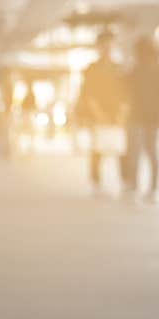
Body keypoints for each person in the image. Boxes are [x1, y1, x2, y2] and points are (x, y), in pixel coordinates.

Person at [78, 29, 128, 195]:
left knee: (121, 149)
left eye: (110, 44)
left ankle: (125, 182)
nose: (107, 48)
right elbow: (88, 94)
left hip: (117, 116)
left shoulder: (119, 68)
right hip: (97, 115)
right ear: (98, 46)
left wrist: (122, 113)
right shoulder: (91, 69)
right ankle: (96, 183)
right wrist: (98, 114)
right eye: (104, 45)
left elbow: (125, 94)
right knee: (97, 150)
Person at [125, 36, 159, 202]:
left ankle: (134, 187)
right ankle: (151, 189)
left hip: (136, 116)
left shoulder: (135, 70)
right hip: (151, 118)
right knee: (151, 152)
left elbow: (125, 92)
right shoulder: (155, 70)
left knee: (135, 153)